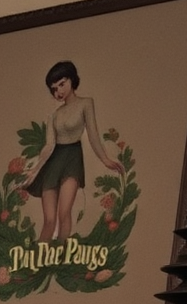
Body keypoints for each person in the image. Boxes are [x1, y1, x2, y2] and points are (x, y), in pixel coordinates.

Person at [20, 61, 123, 242]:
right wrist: (35, 171)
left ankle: (60, 257)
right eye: (54, 88)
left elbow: (92, 135)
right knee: (49, 220)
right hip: (53, 161)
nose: (59, 91)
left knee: (64, 212)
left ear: (72, 80)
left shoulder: (86, 104)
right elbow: (49, 146)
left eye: (62, 84)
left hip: (73, 159)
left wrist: (105, 159)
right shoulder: (54, 115)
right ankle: (38, 263)